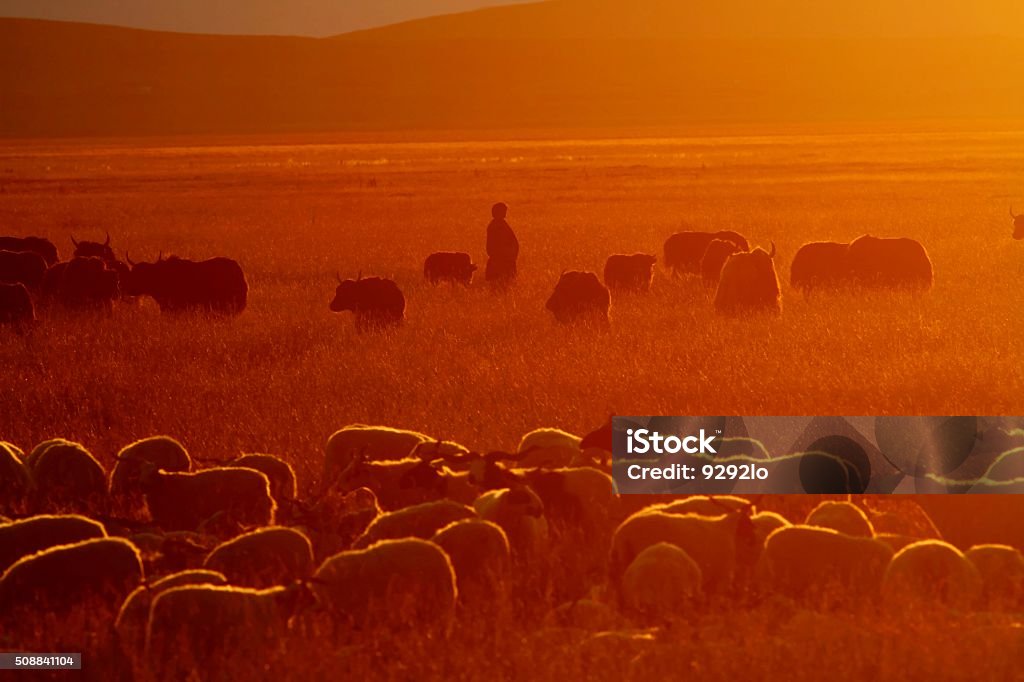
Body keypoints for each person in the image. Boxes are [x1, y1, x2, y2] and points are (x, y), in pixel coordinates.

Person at [485, 202, 519, 289]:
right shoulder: (495, 226)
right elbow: (493, 246)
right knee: (499, 287)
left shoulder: (501, 224)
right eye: (503, 211)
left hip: (506, 260)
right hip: (500, 262)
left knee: (506, 286)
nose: (505, 213)